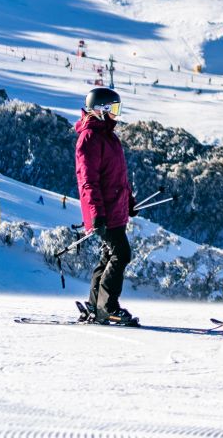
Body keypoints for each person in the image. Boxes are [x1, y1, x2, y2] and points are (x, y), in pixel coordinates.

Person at [74, 86, 139, 325]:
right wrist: (96, 215)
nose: (116, 114)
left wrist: (129, 202)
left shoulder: (109, 136)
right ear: (100, 110)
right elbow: (87, 181)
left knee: (109, 255)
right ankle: (108, 307)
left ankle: (95, 304)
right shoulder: (90, 138)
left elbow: (118, 177)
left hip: (114, 208)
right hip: (104, 211)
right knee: (121, 254)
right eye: (113, 109)